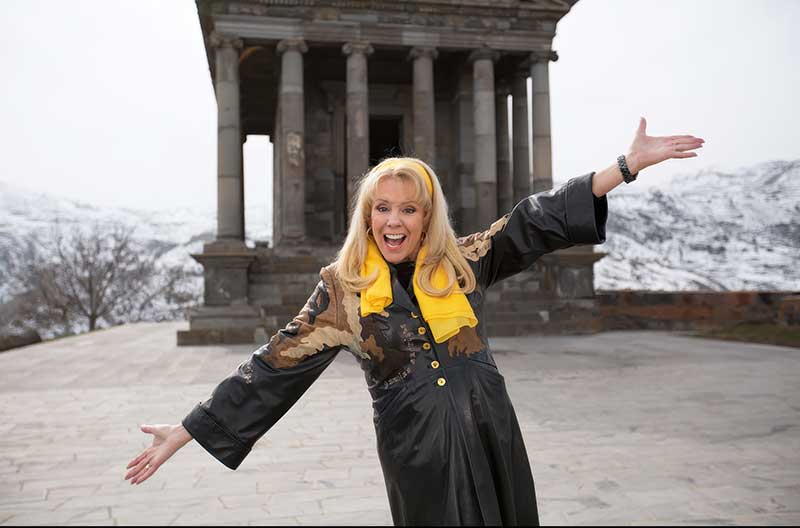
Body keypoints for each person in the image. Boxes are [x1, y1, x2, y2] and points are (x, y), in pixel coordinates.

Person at [126, 117, 703, 525]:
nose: (394, 221)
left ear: (426, 216)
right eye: (382, 208)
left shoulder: (463, 261)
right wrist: (188, 429)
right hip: (419, 449)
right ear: (367, 215)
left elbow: (534, 221)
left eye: (408, 208)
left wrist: (624, 167)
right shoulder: (342, 293)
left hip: (488, 425)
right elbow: (273, 365)